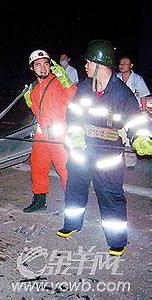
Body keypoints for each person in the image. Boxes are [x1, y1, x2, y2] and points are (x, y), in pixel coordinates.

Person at [56, 40, 152, 256]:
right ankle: (72, 223)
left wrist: (141, 138)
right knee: (75, 187)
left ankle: (117, 240)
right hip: (82, 149)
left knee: (110, 195)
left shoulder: (122, 93)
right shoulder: (83, 88)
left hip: (108, 153)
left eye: (89, 62)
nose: (86, 66)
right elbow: (73, 114)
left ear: (100, 65)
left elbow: (135, 122)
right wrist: (75, 132)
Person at [22, 50, 77, 213]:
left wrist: (64, 78)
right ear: (32, 68)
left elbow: (72, 94)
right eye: (38, 65)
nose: (43, 68)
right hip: (41, 136)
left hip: (59, 137)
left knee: (65, 170)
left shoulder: (58, 81)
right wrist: (29, 100)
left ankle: (73, 203)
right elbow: (37, 111)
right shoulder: (34, 88)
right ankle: (39, 200)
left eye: (46, 64)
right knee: (38, 168)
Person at [116, 56, 151, 168]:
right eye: (120, 63)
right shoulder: (116, 77)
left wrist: (145, 111)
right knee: (117, 136)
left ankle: (130, 164)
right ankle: (117, 160)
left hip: (133, 112)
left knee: (130, 139)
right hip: (118, 111)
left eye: (125, 64)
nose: (122, 66)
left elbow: (143, 95)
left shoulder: (137, 79)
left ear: (131, 66)